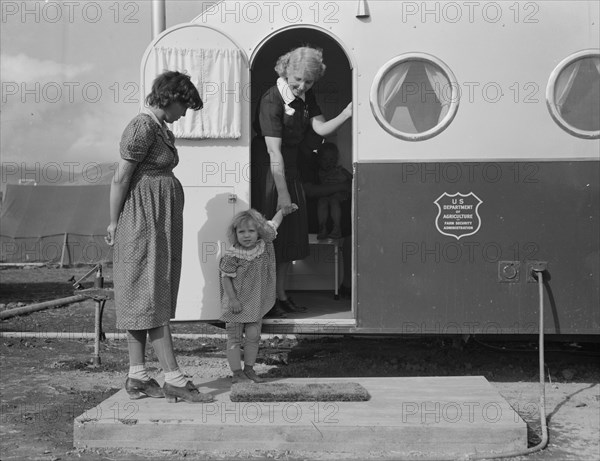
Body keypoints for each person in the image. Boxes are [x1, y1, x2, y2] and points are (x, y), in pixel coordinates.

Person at [106, 71, 213, 404]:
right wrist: (113, 222)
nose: (184, 114)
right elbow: (120, 178)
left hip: (157, 219)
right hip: (141, 220)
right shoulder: (141, 128)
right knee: (150, 295)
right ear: (170, 98)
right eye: (184, 106)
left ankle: (137, 376)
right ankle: (174, 378)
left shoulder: (158, 128)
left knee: (147, 294)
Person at [251, 46, 352, 317]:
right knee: (272, 236)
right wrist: (282, 195)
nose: (302, 85)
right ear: (286, 71)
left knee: (289, 239)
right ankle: (267, 300)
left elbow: (319, 129)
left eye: (309, 81)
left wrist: (346, 114)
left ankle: (281, 295)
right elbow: (273, 152)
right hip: (272, 172)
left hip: (291, 167)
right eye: (298, 80)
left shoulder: (306, 96)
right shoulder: (272, 99)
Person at [219, 206, 297, 384]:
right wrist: (233, 299)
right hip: (236, 303)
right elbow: (226, 279)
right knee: (234, 338)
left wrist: (282, 212)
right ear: (235, 233)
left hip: (255, 301)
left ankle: (249, 369)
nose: (246, 235)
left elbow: (273, 225)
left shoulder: (264, 245)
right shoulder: (233, 255)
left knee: (253, 336)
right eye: (242, 232)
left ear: (258, 232)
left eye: (251, 231)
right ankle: (237, 373)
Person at [315, 142, 352, 240]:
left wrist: (346, 177)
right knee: (321, 201)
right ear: (319, 160)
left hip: (340, 194)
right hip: (327, 194)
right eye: (325, 159)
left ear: (336, 160)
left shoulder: (339, 170)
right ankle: (322, 228)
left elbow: (352, 179)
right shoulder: (320, 172)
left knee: (334, 201)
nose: (328, 162)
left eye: (331, 159)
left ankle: (337, 228)